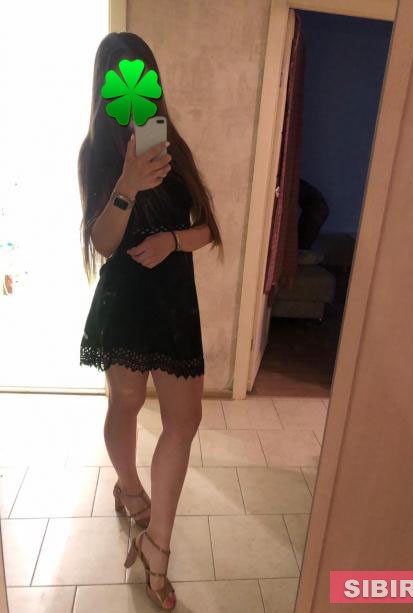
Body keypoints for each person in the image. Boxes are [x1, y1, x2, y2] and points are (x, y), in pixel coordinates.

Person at [78, 32, 223, 610]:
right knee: (127, 401)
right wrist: (126, 187)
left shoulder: (172, 145)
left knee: (184, 419)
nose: (135, 86)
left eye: (142, 73)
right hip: (125, 300)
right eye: (122, 77)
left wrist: (171, 241)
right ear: (106, 87)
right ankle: (131, 490)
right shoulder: (95, 154)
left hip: (173, 300)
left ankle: (155, 542)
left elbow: (209, 229)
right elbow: (103, 243)